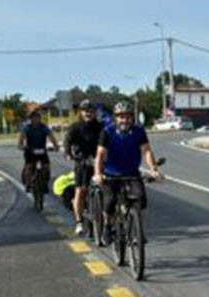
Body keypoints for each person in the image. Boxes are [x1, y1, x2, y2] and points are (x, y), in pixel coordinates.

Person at [93, 102, 163, 232]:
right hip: (110, 174)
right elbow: (100, 154)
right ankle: (107, 224)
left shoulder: (139, 131)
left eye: (128, 117)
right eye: (121, 117)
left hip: (132, 172)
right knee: (110, 201)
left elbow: (146, 151)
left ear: (132, 118)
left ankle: (136, 229)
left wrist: (154, 169)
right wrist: (98, 174)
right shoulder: (107, 131)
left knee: (140, 199)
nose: (124, 120)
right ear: (116, 118)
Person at [64, 99, 105, 235]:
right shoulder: (75, 127)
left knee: (107, 189)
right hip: (82, 161)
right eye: (85, 111)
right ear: (81, 112)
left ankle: (106, 218)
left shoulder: (101, 127)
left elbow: (108, 142)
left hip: (98, 161)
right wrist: (68, 153)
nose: (88, 113)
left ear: (95, 113)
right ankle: (79, 222)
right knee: (80, 191)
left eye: (91, 111)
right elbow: (68, 141)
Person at [17, 108, 59, 190]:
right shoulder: (27, 128)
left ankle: (45, 183)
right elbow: (21, 139)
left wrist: (55, 146)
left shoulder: (44, 127)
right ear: (30, 119)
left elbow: (51, 136)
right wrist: (21, 146)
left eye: (37, 117)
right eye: (33, 117)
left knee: (46, 167)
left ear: (39, 118)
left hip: (42, 150)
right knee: (29, 166)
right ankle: (28, 183)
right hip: (30, 150)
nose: (35, 119)